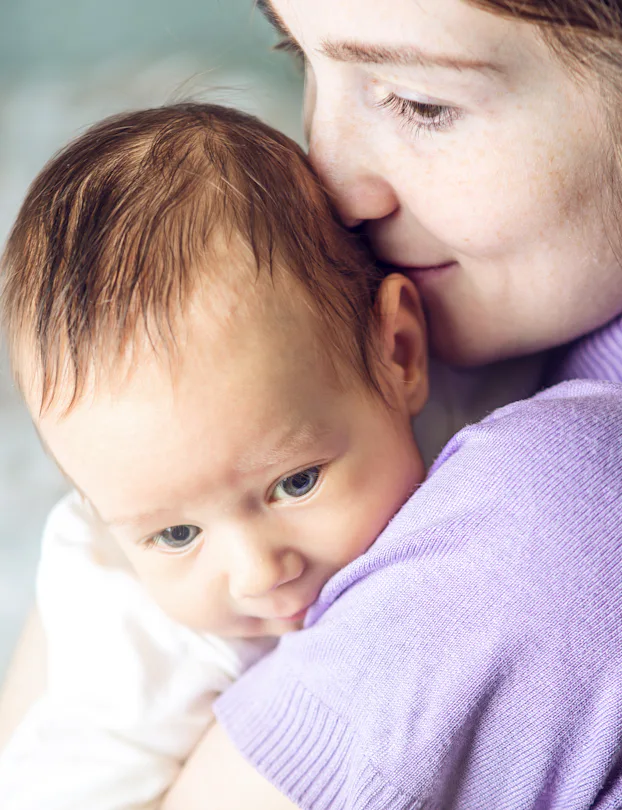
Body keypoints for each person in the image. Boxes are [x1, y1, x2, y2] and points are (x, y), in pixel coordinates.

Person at [156, 0, 622, 808]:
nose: (328, 181)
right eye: (302, 60)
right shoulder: (553, 331)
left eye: (423, 104)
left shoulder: (580, 515)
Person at [0, 102, 432, 808]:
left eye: (295, 483)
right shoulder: (140, 639)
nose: (258, 572)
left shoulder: (488, 410)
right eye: (175, 535)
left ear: (401, 355)